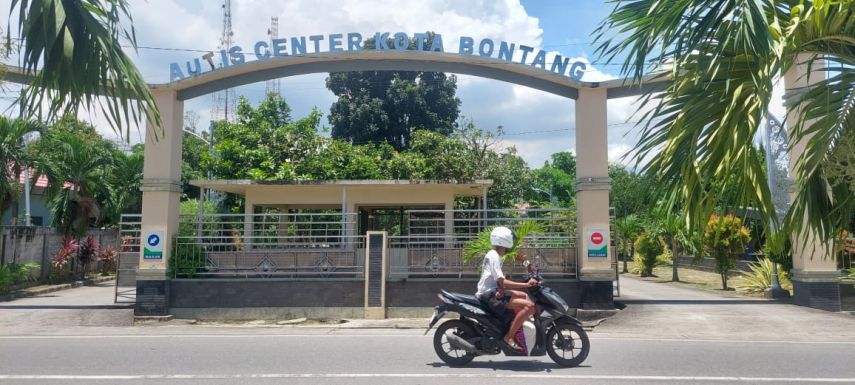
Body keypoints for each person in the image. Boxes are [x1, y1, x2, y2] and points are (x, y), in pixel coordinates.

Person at [475, 226, 539, 351]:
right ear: (505, 241)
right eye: (511, 240)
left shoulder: (498, 254)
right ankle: (508, 337)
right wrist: (526, 285)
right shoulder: (494, 256)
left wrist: (527, 264)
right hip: (489, 294)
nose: (513, 244)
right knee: (529, 306)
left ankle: (515, 327)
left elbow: (518, 258)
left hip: (494, 290)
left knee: (522, 295)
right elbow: (502, 281)